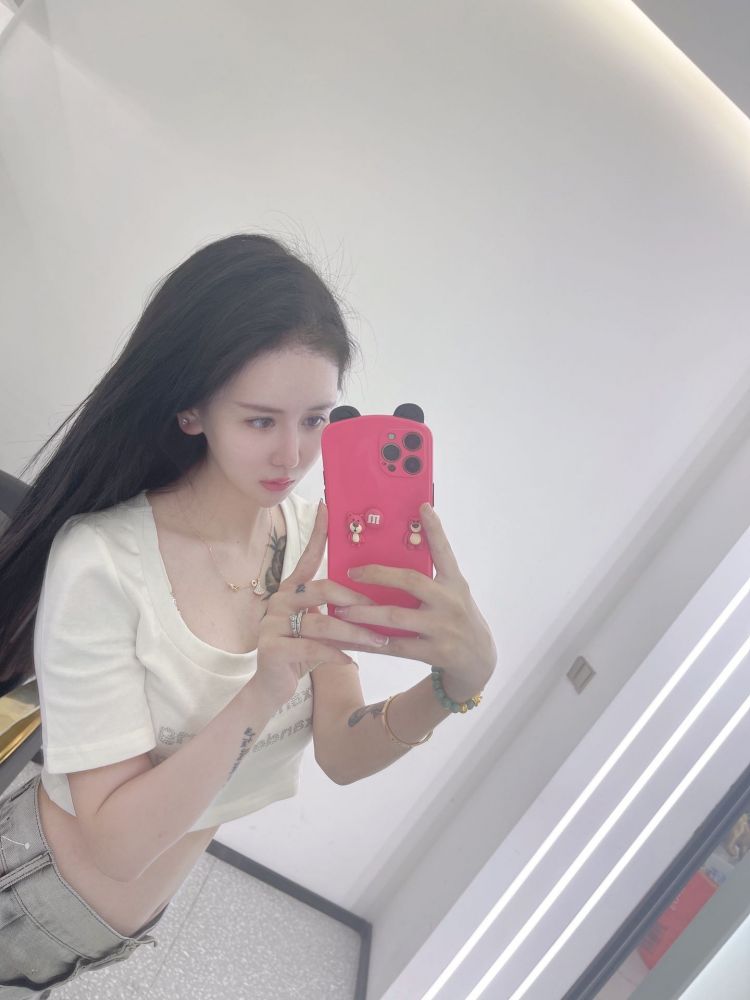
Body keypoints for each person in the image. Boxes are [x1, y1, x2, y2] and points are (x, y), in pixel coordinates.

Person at [0, 233, 497, 996]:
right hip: (29, 897)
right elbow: (114, 850)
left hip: (109, 935)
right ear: (191, 410)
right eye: (261, 421)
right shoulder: (103, 561)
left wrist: (456, 684)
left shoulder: (307, 541)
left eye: (316, 419)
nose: (293, 457)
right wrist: (263, 686)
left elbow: (341, 750)